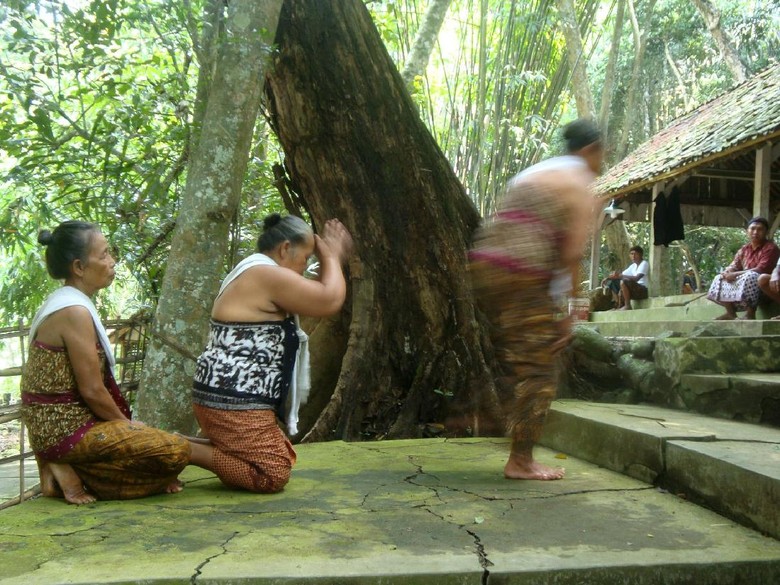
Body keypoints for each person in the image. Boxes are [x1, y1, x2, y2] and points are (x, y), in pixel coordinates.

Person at [20, 221, 211, 503]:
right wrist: (129, 428)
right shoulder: (73, 311)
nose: (112, 262)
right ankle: (60, 461)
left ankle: (66, 469)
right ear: (79, 268)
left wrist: (133, 430)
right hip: (63, 430)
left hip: (67, 427)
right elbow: (93, 391)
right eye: (104, 255)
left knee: (158, 446)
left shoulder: (72, 303)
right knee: (175, 451)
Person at [469, 118, 604, 481]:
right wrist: (571, 311)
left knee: (520, 358)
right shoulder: (580, 184)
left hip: (487, 268)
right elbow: (571, 254)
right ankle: (521, 460)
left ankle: (474, 415)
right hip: (523, 272)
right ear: (591, 150)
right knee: (541, 370)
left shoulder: (536, 172)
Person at [187, 213, 352, 493]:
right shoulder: (265, 274)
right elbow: (329, 299)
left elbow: (316, 292)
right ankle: (183, 449)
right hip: (233, 400)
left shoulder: (256, 269)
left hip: (225, 396)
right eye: (306, 258)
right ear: (285, 249)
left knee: (281, 454)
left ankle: (185, 444)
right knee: (272, 472)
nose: (305, 266)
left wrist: (328, 260)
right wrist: (333, 256)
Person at [706, 217, 780, 320]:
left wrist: (736, 274)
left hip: (765, 289)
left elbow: (761, 269)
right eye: (753, 229)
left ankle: (750, 314)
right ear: (747, 231)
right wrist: (728, 271)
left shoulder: (771, 248)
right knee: (720, 277)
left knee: (752, 276)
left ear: (766, 232)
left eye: (760, 229)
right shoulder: (744, 249)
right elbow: (734, 265)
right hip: (747, 286)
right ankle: (730, 313)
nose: (755, 232)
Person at [601, 246, 649, 310]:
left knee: (624, 281)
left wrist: (620, 276)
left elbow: (636, 278)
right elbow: (620, 275)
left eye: (635, 254)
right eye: (631, 254)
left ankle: (627, 305)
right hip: (634, 290)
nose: (633, 256)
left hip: (642, 291)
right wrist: (607, 278)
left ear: (641, 255)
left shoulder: (644, 264)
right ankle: (618, 305)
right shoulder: (633, 266)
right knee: (611, 282)